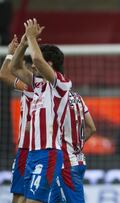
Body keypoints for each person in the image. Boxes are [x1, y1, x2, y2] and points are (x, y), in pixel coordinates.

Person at [10, 19, 71, 203]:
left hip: (48, 153)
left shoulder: (61, 84)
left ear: (49, 64)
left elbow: (36, 59)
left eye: (40, 64)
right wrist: (23, 43)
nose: (34, 66)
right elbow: (14, 67)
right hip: (32, 154)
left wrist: (31, 37)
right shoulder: (37, 85)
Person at [0, 35, 33, 203]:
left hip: (40, 151)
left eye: (24, 67)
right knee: (18, 195)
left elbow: (5, 74)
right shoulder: (28, 87)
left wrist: (14, 52)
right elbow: (5, 74)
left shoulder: (39, 86)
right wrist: (12, 53)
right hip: (24, 149)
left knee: (33, 197)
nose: (19, 71)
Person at [49, 90, 96, 203]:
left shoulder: (54, 98)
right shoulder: (78, 97)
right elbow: (92, 128)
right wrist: (77, 145)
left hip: (66, 165)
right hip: (77, 161)